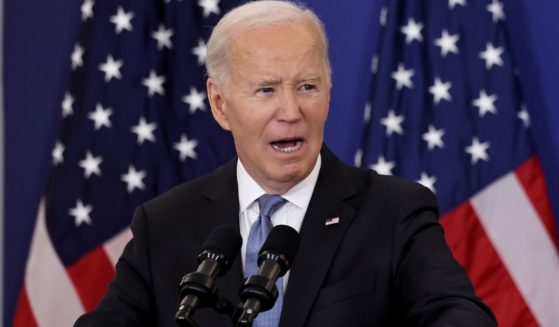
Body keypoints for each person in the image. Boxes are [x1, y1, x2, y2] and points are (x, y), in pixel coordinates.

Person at [75, 1, 496, 326]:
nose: (291, 111)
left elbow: (461, 317)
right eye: (266, 90)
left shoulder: (394, 213)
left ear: (329, 92)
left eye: (307, 86)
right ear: (220, 104)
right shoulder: (164, 224)